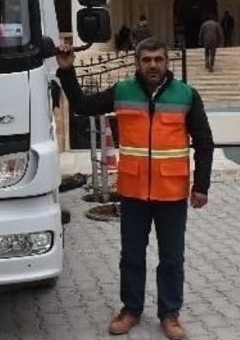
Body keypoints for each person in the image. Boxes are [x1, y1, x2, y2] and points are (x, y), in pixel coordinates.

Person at [56, 38, 214, 340]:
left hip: (171, 192)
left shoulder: (187, 95)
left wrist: (201, 186)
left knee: (172, 257)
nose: (152, 65)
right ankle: (130, 310)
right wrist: (66, 72)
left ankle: (170, 314)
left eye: (158, 59)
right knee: (131, 255)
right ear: (136, 62)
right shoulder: (122, 92)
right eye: (146, 60)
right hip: (133, 192)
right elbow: (83, 105)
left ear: (167, 61)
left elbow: (204, 142)